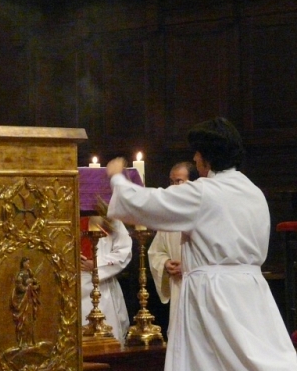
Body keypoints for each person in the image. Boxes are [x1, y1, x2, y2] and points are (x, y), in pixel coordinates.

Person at [106, 117, 297, 371]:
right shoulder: (254, 192)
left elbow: (148, 204)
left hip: (212, 295)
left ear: (207, 157)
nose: (195, 159)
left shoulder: (204, 192)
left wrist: (117, 179)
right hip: (252, 295)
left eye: (197, 153)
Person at [147, 161, 198, 340]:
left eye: (179, 181)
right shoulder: (169, 217)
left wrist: (189, 265)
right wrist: (166, 263)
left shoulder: (202, 211)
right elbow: (156, 251)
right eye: (171, 182)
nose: (173, 187)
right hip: (178, 285)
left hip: (198, 286)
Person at [80, 216, 132, 341]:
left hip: (102, 285)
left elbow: (124, 251)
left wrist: (97, 264)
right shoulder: (65, 215)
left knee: (107, 340)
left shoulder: (110, 219)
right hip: (72, 283)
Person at [10, 257, 41, 348]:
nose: (28, 265)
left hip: (29, 301)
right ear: (23, 263)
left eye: (29, 263)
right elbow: (19, 288)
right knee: (23, 321)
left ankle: (30, 341)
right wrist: (27, 285)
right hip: (22, 301)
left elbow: (36, 284)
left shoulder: (30, 273)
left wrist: (34, 283)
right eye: (27, 263)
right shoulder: (20, 275)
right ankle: (22, 342)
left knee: (30, 320)